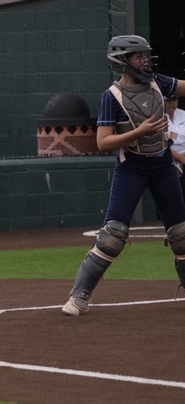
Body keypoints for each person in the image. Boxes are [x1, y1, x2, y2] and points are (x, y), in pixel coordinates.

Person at [61, 35, 185, 316]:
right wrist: (140, 132)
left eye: (145, 55)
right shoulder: (111, 96)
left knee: (181, 234)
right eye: (138, 56)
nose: (145, 61)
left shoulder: (157, 82)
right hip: (132, 168)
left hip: (163, 165)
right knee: (112, 236)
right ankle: (79, 296)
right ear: (122, 61)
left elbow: (181, 86)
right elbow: (103, 142)